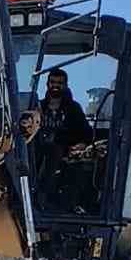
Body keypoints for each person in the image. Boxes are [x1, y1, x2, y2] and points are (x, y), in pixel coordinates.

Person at [35, 68, 94, 209]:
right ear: (47, 84)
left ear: (66, 85)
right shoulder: (37, 107)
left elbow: (87, 133)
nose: (55, 85)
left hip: (63, 153)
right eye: (52, 82)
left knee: (55, 151)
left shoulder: (73, 109)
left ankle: (45, 198)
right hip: (37, 153)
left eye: (60, 83)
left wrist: (81, 144)